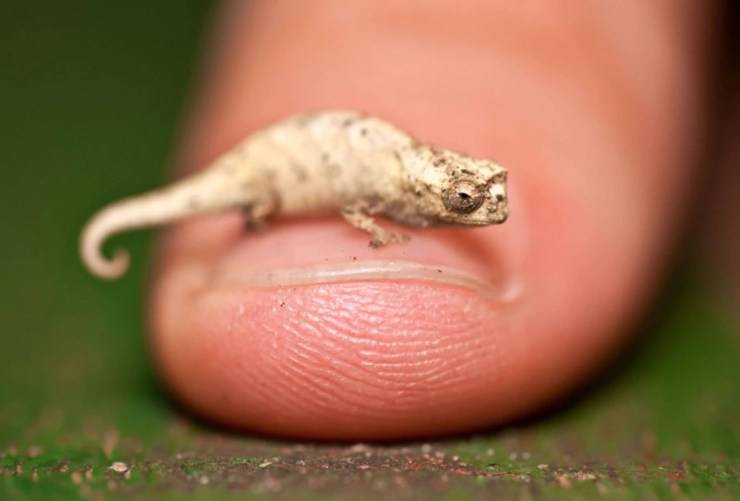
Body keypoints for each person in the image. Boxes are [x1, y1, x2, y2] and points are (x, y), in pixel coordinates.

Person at [149, 1, 716, 439]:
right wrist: (370, 233)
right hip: (279, 165)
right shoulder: (401, 186)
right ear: (439, 195)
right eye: (470, 200)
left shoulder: (415, 181)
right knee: (240, 192)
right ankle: (256, 213)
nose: (492, 210)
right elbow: (353, 196)